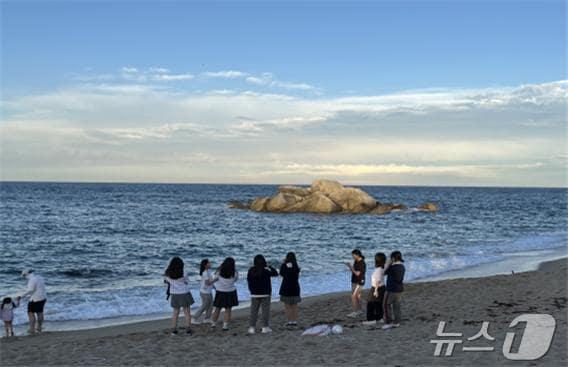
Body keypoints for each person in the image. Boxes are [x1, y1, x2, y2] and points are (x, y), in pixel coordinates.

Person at [247, 254, 278, 334]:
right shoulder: (266, 270)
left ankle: (252, 328)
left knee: (253, 311)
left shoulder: (251, 270)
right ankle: (265, 327)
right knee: (265, 311)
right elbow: (275, 273)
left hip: (254, 293)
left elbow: (248, 280)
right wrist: (270, 267)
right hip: (265, 293)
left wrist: (251, 289)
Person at [164, 257, 195, 335]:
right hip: (184, 293)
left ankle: (174, 330)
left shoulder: (168, 273)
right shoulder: (184, 272)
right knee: (187, 312)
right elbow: (187, 282)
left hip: (174, 294)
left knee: (175, 312)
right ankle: (188, 330)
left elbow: (166, 281)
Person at [211, 257, 239, 331]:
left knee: (217, 308)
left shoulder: (219, 271)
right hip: (230, 292)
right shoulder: (234, 272)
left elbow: (215, 278)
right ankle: (225, 326)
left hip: (220, 292)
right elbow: (235, 280)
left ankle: (213, 324)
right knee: (228, 309)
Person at [382, 251, 406, 329]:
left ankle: (389, 322)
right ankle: (397, 322)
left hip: (391, 289)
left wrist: (388, 264)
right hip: (399, 289)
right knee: (397, 306)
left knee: (386, 305)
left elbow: (383, 273)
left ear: (393, 258)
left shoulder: (392, 267)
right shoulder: (402, 266)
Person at [19, 269, 47, 334]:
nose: (24, 278)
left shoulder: (32, 280)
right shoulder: (39, 277)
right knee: (40, 312)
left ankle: (32, 329)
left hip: (35, 299)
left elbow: (30, 290)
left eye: (24, 276)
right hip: (43, 297)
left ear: (26, 275)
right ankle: (39, 327)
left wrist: (21, 296)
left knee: (30, 313)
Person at [362, 252, 386, 326]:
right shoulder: (382, 268)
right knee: (378, 303)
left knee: (370, 303)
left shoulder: (378, 270)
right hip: (382, 287)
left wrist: (375, 290)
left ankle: (371, 320)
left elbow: (378, 281)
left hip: (377, 288)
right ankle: (380, 318)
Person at [279, 252, 301, 327]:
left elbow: (281, 273)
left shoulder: (284, 265)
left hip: (286, 287)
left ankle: (290, 321)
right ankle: (294, 321)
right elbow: (296, 274)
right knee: (294, 306)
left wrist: (285, 265)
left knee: (287, 306)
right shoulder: (296, 266)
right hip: (295, 287)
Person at [192, 259, 216, 324]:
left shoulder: (208, 271)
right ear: (205, 265)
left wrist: (214, 287)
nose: (210, 263)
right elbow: (207, 283)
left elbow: (210, 281)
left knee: (211, 305)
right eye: (209, 263)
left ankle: (207, 319)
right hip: (204, 292)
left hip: (208, 291)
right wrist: (215, 280)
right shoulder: (205, 273)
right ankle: (194, 318)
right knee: (204, 306)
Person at [345, 249, 366, 318]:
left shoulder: (361, 263)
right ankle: (360, 311)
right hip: (354, 281)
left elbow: (357, 273)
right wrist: (350, 267)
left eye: (353, 255)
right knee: (358, 296)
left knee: (353, 296)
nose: (352, 257)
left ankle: (355, 312)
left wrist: (350, 266)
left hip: (359, 282)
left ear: (357, 255)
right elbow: (355, 271)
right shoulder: (356, 261)